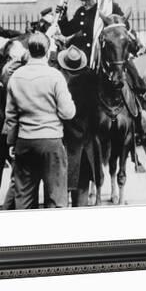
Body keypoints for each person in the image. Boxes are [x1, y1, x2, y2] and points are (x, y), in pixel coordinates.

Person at [5, 32, 75, 209]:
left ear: (29, 50)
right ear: (47, 50)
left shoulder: (16, 76)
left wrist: (11, 141)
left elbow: (11, 115)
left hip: (24, 141)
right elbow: (68, 112)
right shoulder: (55, 76)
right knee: (56, 198)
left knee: (24, 198)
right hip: (51, 142)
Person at [56, 45, 102, 207]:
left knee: (62, 185)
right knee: (83, 185)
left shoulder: (60, 79)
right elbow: (97, 113)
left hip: (65, 139)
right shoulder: (91, 79)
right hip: (86, 140)